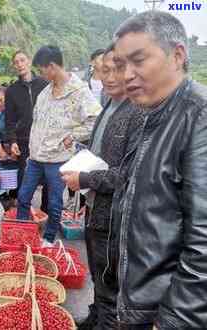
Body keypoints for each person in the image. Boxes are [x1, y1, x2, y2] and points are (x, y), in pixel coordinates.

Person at [109, 11, 207, 329]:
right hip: (141, 304)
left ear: (177, 55)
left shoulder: (198, 117)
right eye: (121, 64)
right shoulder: (152, 113)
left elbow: (202, 242)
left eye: (138, 60)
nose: (127, 75)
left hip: (165, 315)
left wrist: (174, 320)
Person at [62, 44, 144, 330]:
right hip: (95, 209)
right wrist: (81, 150)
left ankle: (104, 321)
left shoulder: (137, 113)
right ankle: (94, 318)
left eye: (115, 70)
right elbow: (104, 154)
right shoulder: (110, 103)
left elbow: (128, 175)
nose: (108, 77)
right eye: (103, 71)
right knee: (98, 276)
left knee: (110, 287)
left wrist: (84, 179)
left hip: (114, 218)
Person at [16, 46, 101, 246]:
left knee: (55, 203)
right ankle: (20, 234)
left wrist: (72, 137)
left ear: (52, 66)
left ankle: (48, 238)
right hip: (36, 158)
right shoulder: (45, 92)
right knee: (23, 196)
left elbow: (95, 120)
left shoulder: (79, 91)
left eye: (42, 69)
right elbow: (37, 123)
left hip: (58, 159)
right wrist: (31, 151)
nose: (41, 74)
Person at [5, 50, 49, 207]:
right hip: (24, 140)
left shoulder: (45, 84)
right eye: (16, 62)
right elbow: (9, 120)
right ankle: (23, 211)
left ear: (29, 62)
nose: (19, 64)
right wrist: (13, 141)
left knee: (48, 178)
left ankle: (46, 211)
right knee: (25, 177)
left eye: (22, 60)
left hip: (45, 139)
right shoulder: (11, 90)